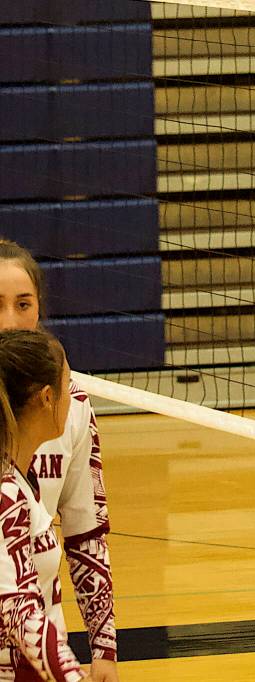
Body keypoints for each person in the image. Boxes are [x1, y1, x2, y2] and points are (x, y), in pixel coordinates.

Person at [0, 241, 117, 680]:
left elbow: (86, 532)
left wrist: (103, 647)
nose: (10, 321)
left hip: (45, 649)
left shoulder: (70, 410)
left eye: (23, 304)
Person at [0, 329, 89, 680]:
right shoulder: (6, 493)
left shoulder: (22, 479)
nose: (73, 398)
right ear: (48, 398)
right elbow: (19, 611)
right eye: (68, 386)